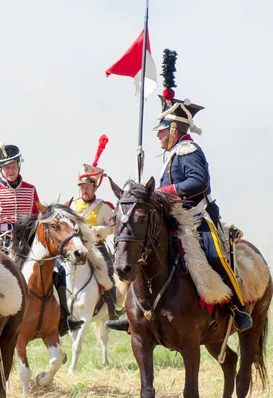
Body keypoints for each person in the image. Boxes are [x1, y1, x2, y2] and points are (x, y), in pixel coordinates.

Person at [107, 49, 252, 332]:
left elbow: (199, 183)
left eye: (161, 131)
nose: (158, 135)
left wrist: (166, 191)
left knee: (215, 256)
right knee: (135, 243)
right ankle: (132, 311)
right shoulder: (172, 153)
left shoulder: (189, 149)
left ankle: (235, 307)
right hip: (172, 217)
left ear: (174, 129)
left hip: (197, 217)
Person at [72, 162, 120, 322]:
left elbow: (113, 227)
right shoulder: (72, 205)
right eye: (82, 187)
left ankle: (113, 311)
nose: (84, 190)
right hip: (75, 247)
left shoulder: (104, 207)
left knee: (108, 276)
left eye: (87, 187)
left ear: (94, 188)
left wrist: (99, 230)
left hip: (96, 247)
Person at [0, 144, 40, 251]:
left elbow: (38, 218)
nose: (11, 171)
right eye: (6, 168)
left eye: (14, 167)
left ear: (19, 166)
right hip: (0, 244)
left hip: (27, 243)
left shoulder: (31, 189)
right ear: (0, 169)